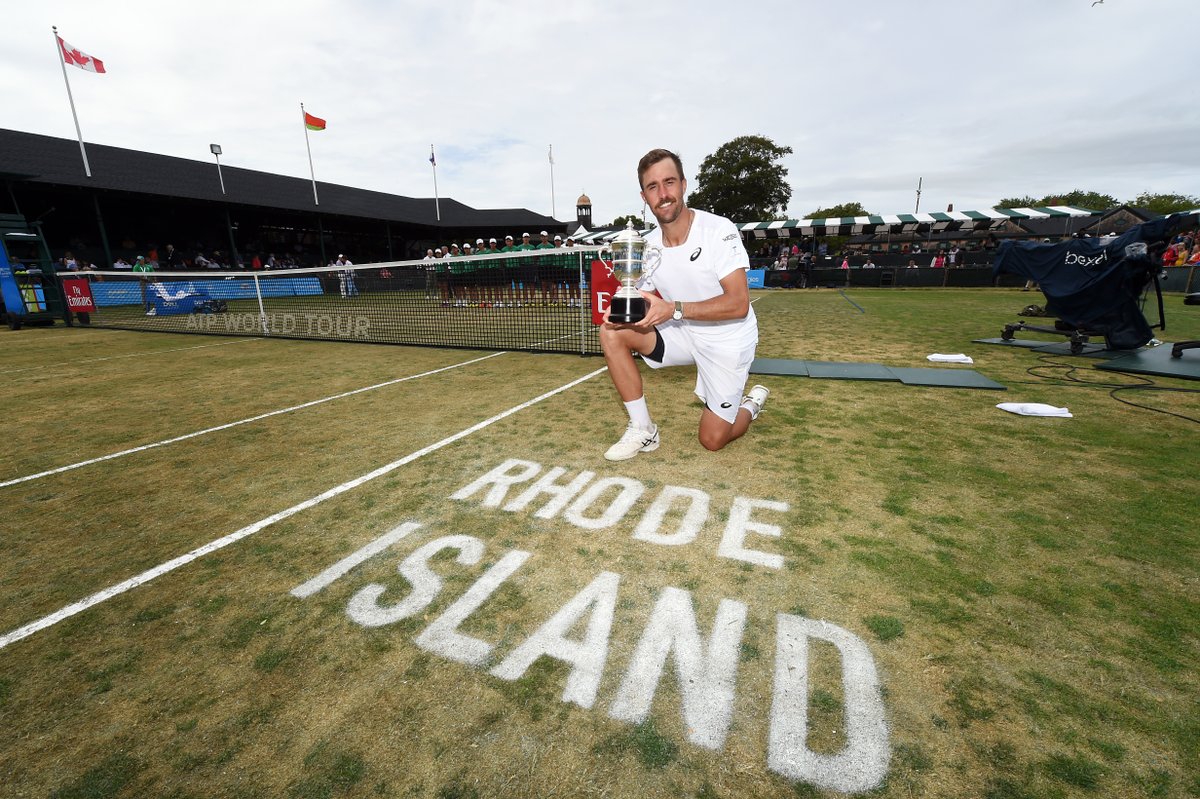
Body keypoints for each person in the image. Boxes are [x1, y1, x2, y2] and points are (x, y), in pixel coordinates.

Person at [599, 148, 768, 461]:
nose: (663, 194)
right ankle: (643, 430)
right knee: (611, 331)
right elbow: (646, 302)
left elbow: (739, 303)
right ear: (644, 196)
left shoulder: (719, 230)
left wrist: (674, 308)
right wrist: (623, 309)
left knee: (713, 440)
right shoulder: (645, 246)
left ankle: (751, 404)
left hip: (727, 339)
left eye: (669, 182)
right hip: (682, 333)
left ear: (683, 184)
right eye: (653, 187)